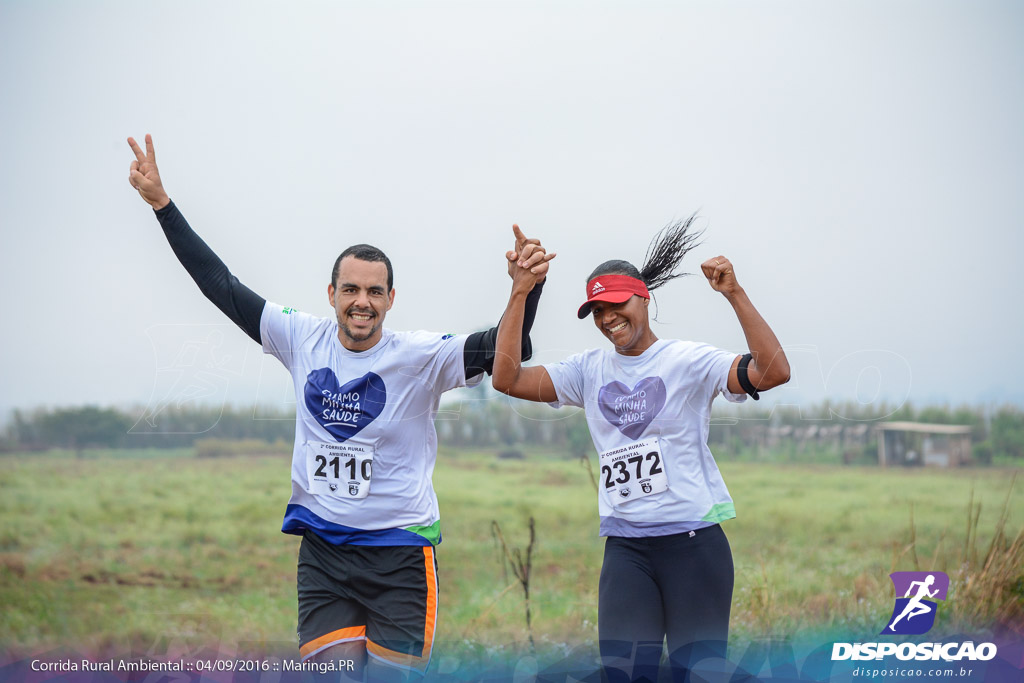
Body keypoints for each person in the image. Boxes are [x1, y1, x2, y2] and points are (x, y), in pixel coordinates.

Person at [126, 135, 550, 680]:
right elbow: (220, 285)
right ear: (331, 294)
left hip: (399, 554)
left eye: (375, 292)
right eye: (350, 289)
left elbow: (508, 353)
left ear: (391, 299)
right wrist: (164, 205)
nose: (362, 302)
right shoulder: (301, 337)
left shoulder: (420, 356)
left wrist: (525, 293)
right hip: (324, 552)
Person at [492, 217, 790, 683]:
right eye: (597, 310)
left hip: (694, 547)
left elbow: (773, 372)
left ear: (643, 297)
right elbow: (506, 378)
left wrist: (735, 293)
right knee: (626, 674)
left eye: (616, 303)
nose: (608, 318)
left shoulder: (688, 361)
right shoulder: (587, 371)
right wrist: (520, 293)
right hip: (627, 549)